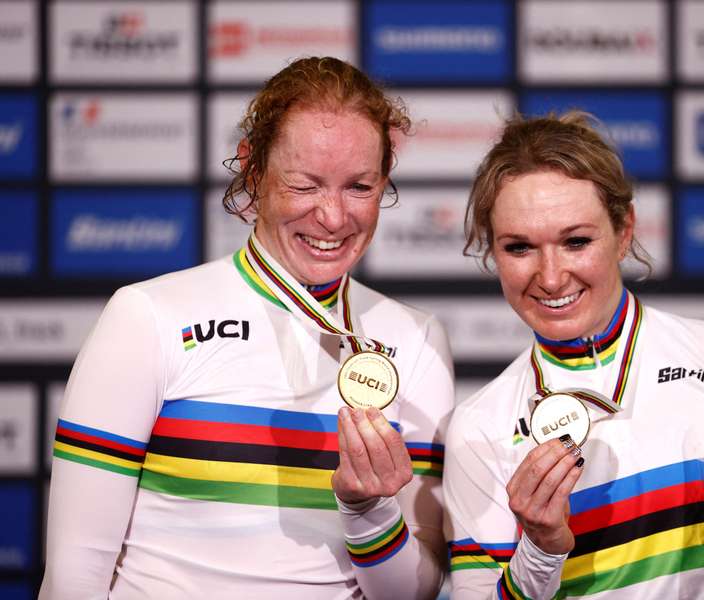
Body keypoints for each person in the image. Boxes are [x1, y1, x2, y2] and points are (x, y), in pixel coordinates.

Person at [40, 56, 454, 600]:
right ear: (253, 173)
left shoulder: (415, 341)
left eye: (359, 186)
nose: (333, 216)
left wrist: (368, 513)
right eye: (305, 185)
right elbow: (73, 577)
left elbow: (415, 593)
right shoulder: (147, 317)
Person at [443, 111, 704, 599]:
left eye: (576, 241)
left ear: (624, 231)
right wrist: (540, 549)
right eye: (520, 248)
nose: (552, 276)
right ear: (493, 253)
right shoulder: (478, 427)